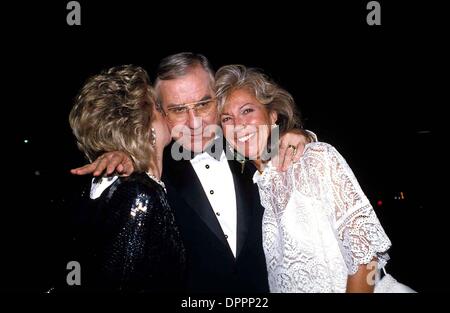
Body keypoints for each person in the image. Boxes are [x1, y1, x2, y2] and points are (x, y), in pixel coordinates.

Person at [71, 53, 314, 292]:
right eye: (178, 109)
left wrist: (301, 136)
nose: (194, 123)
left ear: (218, 100)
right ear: (161, 112)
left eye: (202, 104)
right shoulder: (150, 174)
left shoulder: (249, 145)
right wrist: (122, 154)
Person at [215, 64, 392, 293]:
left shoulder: (315, 159)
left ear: (272, 115)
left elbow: (366, 259)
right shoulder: (254, 187)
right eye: (227, 118)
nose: (239, 125)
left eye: (247, 111)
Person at [68, 65, 186, 292]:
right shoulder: (139, 195)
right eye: (159, 108)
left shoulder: (108, 187)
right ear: (146, 127)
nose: (168, 115)